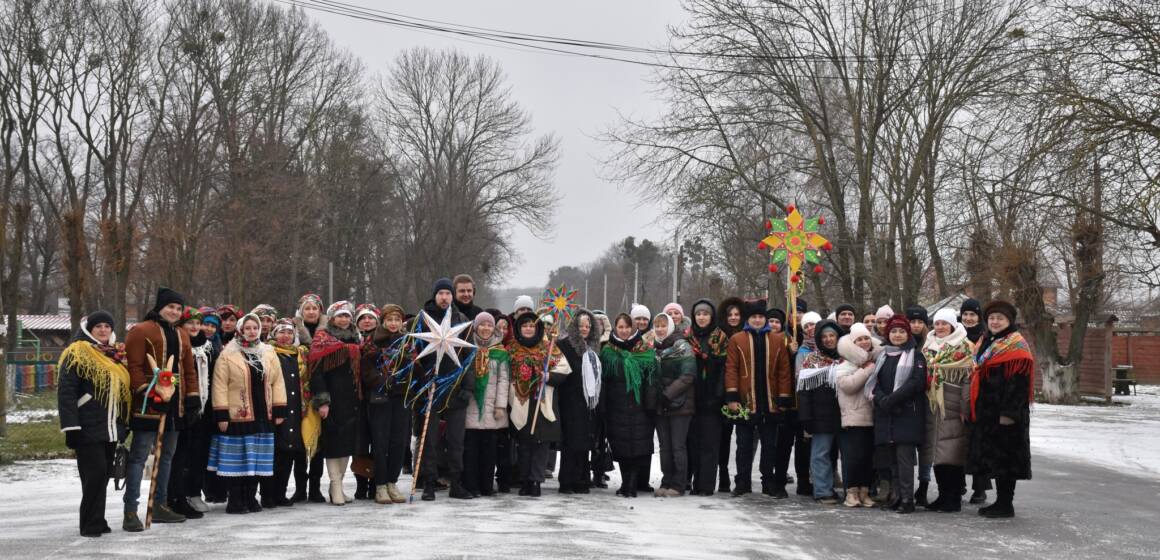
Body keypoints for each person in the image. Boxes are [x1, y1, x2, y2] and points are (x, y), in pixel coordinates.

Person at [122, 287, 200, 531]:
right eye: (171, 307)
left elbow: (188, 370)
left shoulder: (182, 335)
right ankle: (131, 510)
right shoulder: (141, 331)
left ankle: (159, 504)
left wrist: (192, 397)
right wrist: (147, 390)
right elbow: (133, 365)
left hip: (175, 405)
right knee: (139, 456)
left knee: (167, 455)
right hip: (148, 404)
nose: (174, 312)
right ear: (160, 307)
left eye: (178, 308)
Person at [57, 311, 131, 537]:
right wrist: (71, 428)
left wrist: (123, 424)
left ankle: (98, 519)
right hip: (86, 427)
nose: (103, 330)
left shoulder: (116, 354)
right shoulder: (77, 352)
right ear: (90, 329)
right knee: (95, 474)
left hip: (109, 427)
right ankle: (89, 523)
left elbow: (122, 392)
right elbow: (66, 393)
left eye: (107, 326)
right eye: (98, 326)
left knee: (104, 474)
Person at [207, 313, 287, 514]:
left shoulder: (268, 352)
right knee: (239, 459)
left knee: (257, 459)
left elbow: (277, 381)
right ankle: (235, 499)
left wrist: (279, 408)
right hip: (238, 415)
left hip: (263, 414)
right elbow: (219, 385)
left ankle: (251, 497)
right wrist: (222, 414)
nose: (251, 331)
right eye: (247, 328)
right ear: (240, 330)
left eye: (254, 328)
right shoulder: (228, 353)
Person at [967, 300, 1034, 519]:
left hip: (1006, 413)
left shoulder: (1016, 346)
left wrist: (1009, 414)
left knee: (1007, 460)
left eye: (1000, 318)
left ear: (1009, 321)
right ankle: (999, 501)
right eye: (992, 318)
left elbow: (1020, 384)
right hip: (988, 410)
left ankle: (1006, 504)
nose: (995, 322)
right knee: (995, 459)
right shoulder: (987, 340)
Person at [724, 299, 793, 498]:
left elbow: (784, 371)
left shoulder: (777, 340)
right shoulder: (737, 339)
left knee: (770, 446)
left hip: (770, 403)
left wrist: (783, 398)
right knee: (744, 446)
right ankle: (742, 482)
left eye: (760, 317)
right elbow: (731, 369)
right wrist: (732, 396)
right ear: (748, 318)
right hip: (746, 402)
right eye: (753, 317)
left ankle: (768, 482)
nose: (757, 320)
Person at [415, 278, 474, 501]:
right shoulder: (423, 320)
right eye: (440, 293)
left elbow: (470, 357)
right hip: (430, 390)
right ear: (435, 295)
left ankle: (455, 482)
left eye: (448, 294)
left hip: (455, 389)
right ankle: (429, 481)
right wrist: (422, 380)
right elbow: (414, 354)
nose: (444, 297)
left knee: (456, 440)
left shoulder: (461, 321)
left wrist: (467, 388)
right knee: (429, 439)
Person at [507, 311, 571, 497]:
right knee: (524, 443)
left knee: (541, 444)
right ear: (519, 328)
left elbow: (564, 370)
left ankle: (536, 480)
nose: (528, 329)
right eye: (525, 325)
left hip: (543, 401)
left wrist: (548, 376)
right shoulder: (512, 348)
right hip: (520, 400)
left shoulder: (548, 348)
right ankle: (525, 479)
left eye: (531, 326)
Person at [869, 314, 928, 514]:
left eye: (902, 331)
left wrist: (891, 399)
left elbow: (916, 383)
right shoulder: (883, 356)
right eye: (893, 331)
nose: (897, 335)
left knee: (904, 460)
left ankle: (907, 499)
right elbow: (874, 383)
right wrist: (882, 399)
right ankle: (895, 496)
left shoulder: (916, 356)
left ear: (908, 333)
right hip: (886, 414)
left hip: (906, 415)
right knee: (891, 459)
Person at [308, 301, 364, 506]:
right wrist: (322, 401)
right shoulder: (323, 339)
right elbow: (316, 374)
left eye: (347, 315)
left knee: (347, 444)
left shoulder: (357, 338)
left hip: (352, 399)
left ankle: (337, 486)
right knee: (333, 444)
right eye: (339, 315)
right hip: (332, 399)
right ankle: (335, 485)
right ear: (331, 318)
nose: (344, 319)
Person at [921, 308, 976, 513]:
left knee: (953, 454)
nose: (940, 327)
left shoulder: (965, 346)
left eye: (945, 323)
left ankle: (953, 498)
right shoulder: (928, 346)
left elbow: (969, 379)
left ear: (953, 325)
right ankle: (943, 496)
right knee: (937, 453)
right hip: (932, 405)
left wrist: (965, 406)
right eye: (937, 323)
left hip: (953, 406)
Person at [361, 304, 413, 504]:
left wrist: (413, 373)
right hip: (380, 399)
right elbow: (366, 371)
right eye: (389, 320)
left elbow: (414, 367)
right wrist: (384, 381)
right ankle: (380, 484)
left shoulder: (407, 342)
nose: (393, 324)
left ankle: (393, 481)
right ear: (383, 321)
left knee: (399, 442)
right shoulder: (372, 342)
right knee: (380, 442)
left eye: (397, 320)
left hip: (401, 397)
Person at [600, 313, 657, 498]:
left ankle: (632, 484)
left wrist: (650, 405)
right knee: (621, 448)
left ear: (633, 329)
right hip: (616, 408)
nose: (624, 331)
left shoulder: (645, 350)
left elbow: (651, 380)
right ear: (616, 329)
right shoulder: (608, 352)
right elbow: (604, 381)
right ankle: (625, 482)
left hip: (640, 408)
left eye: (627, 327)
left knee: (638, 448)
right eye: (621, 327)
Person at [166, 307, 209, 520]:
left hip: (203, 407)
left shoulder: (208, 346)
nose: (194, 327)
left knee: (196, 455)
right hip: (181, 405)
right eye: (189, 322)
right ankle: (175, 496)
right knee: (179, 455)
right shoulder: (177, 343)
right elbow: (171, 373)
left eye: (197, 322)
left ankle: (191, 493)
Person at [462, 312, 510, 497]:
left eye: (489, 325)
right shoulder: (466, 348)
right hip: (471, 407)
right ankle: (471, 485)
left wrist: (500, 406)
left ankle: (486, 485)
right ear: (475, 327)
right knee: (470, 450)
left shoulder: (500, 352)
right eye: (482, 325)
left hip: (492, 410)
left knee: (489, 451)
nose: (486, 329)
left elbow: (503, 381)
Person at [557, 309, 604, 494]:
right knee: (571, 442)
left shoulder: (594, 347)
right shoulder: (565, 345)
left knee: (585, 442)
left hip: (589, 402)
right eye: (581, 325)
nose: (584, 329)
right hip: (570, 400)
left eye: (588, 325)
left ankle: (582, 479)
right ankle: (567, 480)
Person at [835, 323, 881, 507]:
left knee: (867, 458)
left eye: (866, 338)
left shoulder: (878, 358)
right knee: (852, 458)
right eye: (859, 339)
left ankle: (865, 491)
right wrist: (868, 369)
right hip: (852, 417)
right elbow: (848, 385)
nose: (863, 342)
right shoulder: (845, 362)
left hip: (873, 417)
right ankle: (851, 492)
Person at [797, 320, 843, 505]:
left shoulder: (847, 357)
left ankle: (853, 490)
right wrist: (806, 417)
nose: (829, 339)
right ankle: (823, 490)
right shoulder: (811, 360)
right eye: (824, 337)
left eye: (832, 335)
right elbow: (804, 392)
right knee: (820, 454)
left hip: (846, 414)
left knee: (848, 455)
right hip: (820, 415)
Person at [686, 299, 727, 496]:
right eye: (698, 314)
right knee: (693, 444)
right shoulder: (687, 337)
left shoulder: (721, 338)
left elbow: (725, 369)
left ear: (712, 317)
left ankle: (707, 485)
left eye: (706, 314)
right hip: (691, 398)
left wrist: (718, 396)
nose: (702, 317)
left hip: (712, 400)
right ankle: (695, 482)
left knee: (710, 445)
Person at [652, 312, 696, 497]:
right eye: (657, 326)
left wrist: (667, 394)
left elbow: (688, 376)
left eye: (663, 325)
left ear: (670, 326)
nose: (660, 329)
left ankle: (679, 484)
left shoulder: (682, 346)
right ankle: (666, 480)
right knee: (664, 446)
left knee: (678, 445)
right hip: (661, 405)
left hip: (680, 404)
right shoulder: (654, 348)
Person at [268, 319, 307, 507]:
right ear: (274, 334)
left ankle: (281, 493)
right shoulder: (269, 353)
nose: (286, 336)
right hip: (276, 410)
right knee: (275, 453)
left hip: (296, 411)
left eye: (289, 333)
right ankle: (269, 493)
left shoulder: (297, 355)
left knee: (289, 453)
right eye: (281, 332)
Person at [715, 296, 745, 493]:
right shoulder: (719, 336)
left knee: (743, 439)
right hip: (722, 392)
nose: (733, 318)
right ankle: (723, 474)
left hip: (743, 392)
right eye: (730, 315)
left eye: (737, 315)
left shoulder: (747, 334)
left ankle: (742, 477)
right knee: (723, 438)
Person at [904, 304, 932, 505]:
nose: (915, 325)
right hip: (906, 399)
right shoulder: (902, 341)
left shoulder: (931, 343)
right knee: (906, 446)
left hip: (929, 400)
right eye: (912, 321)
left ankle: (923, 485)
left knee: (926, 446)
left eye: (919, 321)